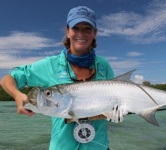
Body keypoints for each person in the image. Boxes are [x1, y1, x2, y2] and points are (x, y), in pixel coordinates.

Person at [0, 6, 114, 150]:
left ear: (94, 33)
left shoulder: (103, 65)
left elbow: (113, 101)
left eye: (87, 28)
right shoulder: (50, 65)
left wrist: (116, 111)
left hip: (99, 146)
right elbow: (8, 78)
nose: (81, 33)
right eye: (76, 28)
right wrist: (17, 94)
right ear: (67, 31)